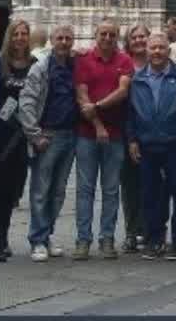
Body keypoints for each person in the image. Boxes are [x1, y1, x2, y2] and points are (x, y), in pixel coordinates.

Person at [128, 31, 176, 261]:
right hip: (147, 144)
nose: (156, 52)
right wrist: (133, 140)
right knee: (150, 194)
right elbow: (131, 113)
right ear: (146, 50)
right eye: (153, 48)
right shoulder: (137, 80)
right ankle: (154, 239)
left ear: (169, 50)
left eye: (161, 48)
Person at [74, 18, 136, 260]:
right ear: (95, 35)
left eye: (112, 34)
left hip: (116, 134)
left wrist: (96, 107)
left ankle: (107, 239)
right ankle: (83, 240)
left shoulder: (125, 61)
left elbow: (122, 91)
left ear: (117, 37)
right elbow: (81, 95)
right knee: (85, 189)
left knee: (111, 190)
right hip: (88, 134)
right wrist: (98, 124)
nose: (108, 38)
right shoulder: (84, 59)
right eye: (104, 34)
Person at [19, 24, 81, 261]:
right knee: (41, 189)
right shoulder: (41, 68)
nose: (64, 42)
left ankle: (46, 235)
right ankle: (37, 239)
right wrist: (35, 135)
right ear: (52, 41)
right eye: (60, 38)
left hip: (70, 135)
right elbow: (27, 102)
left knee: (58, 191)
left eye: (68, 38)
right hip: (48, 135)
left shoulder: (76, 66)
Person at [0, 20, 35, 263]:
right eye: (15, 33)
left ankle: (3, 235)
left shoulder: (35, 64)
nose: (20, 37)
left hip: (24, 133)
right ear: (9, 36)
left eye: (24, 34)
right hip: (3, 133)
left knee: (15, 188)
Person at [121, 23, 152, 251]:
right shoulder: (123, 63)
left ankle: (149, 230)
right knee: (130, 184)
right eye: (135, 37)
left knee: (152, 184)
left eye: (143, 36)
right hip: (126, 130)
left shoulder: (157, 62)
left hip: (152, 132)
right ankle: (132, 231)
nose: (139, 40)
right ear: (128, 41)